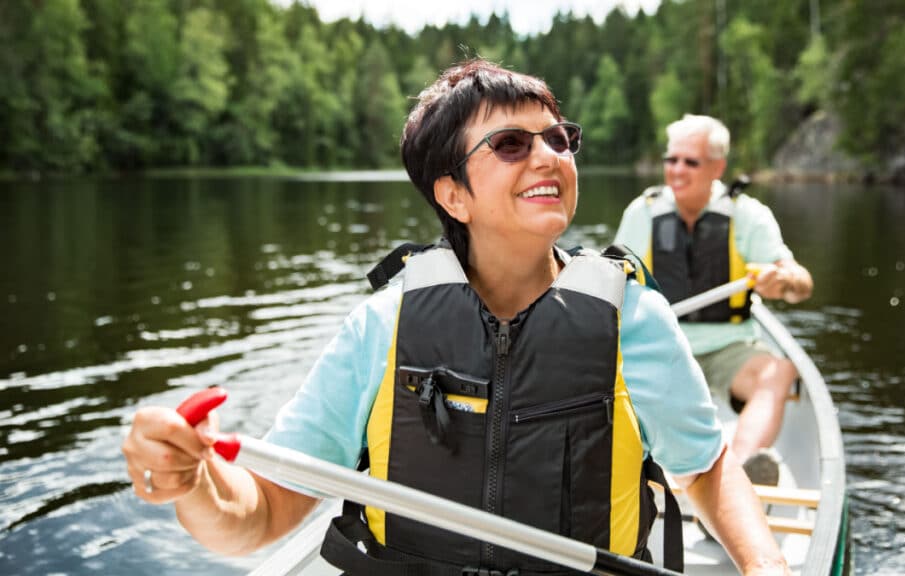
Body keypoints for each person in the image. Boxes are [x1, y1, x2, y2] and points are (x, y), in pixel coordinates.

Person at [121, 61, 789, 575]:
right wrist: (194, 482)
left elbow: (703, 469)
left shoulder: (633, 319)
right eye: (509, 143)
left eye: (558, 137)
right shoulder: (381, 328)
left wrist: (764, 564)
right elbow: (258, 515)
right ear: (453, 195)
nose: (549, 154)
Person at [613, 114, 813, 486]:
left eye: (691, 162)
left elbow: (801, 283)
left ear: (718, 167)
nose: (677, 170)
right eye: (671, 160)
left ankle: (737, 475)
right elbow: (613, 283)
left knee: (779, 371)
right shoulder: (643, 213)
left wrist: (783, 280)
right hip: (660, 345)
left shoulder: (748, 215)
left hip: (727, 348)